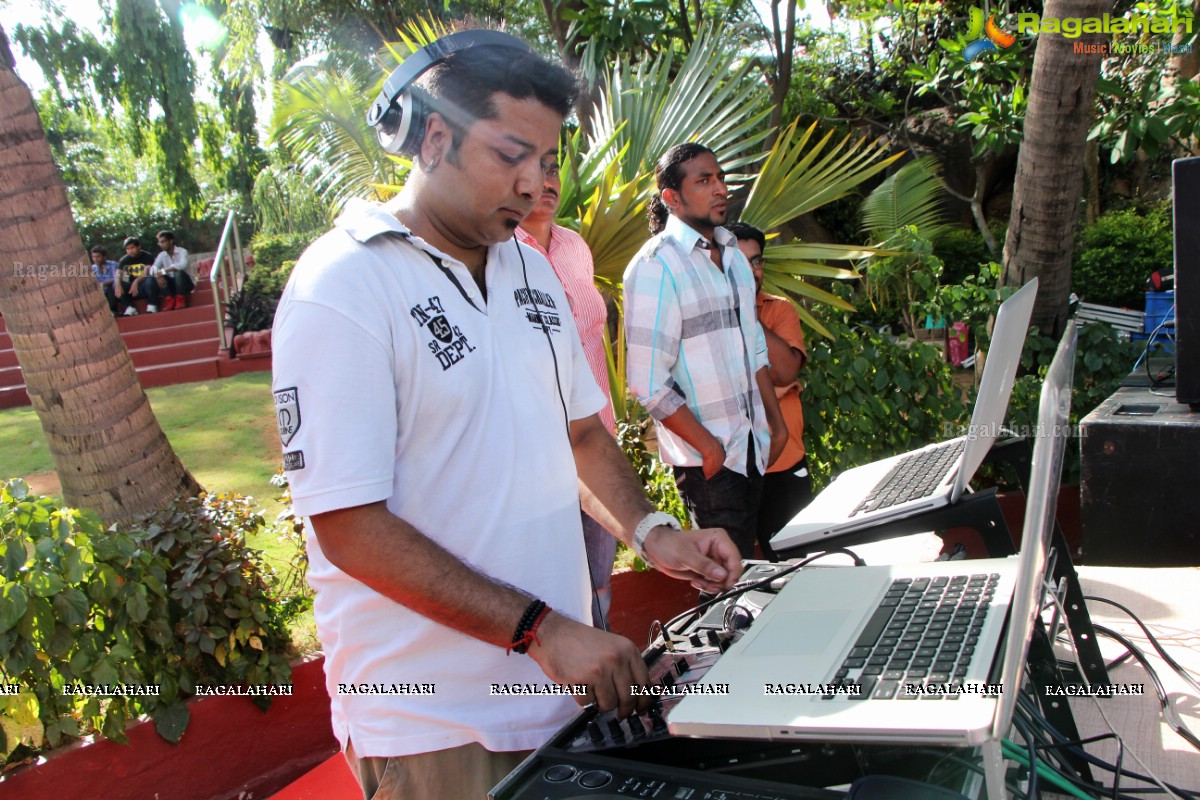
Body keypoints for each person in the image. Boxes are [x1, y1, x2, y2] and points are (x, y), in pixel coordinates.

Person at [271, 31, 740, 800]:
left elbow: (580, 434)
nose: (533, 184)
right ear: (432, 137)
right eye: (509, 154)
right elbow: (349, 524)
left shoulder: (530, 264)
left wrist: (657, 534)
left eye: (548, 161)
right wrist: (541, 629)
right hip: (437, 730)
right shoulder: (345, 285)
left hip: (555, 701)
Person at [623, 143, 789, 560]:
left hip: (752, 446)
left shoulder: (733, 254)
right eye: (704, 181)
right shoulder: (655, 266)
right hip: (709, 462)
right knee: (721, 581)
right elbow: (646, 382)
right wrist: (710, 448)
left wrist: (776, 423)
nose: (720, 189)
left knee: (747, 569)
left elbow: (753, 346)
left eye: (720, 178)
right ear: (672, 198)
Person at [515, 163, 618, 630]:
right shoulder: (499, 253)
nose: (547, 181)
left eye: (554, 169)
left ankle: (607, 695)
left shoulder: (575, 246)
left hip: (598, 440)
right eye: (536, 170)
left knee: (599, 577)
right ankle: (568, 696)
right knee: (551, 589)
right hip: (540, 455)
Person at [727, 222, 812, 559]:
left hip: (785, 464)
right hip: (730, 470)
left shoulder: (779, 310)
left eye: (757, 261)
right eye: (741, 262)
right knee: (735, 574)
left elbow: (785, 370)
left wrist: (747, 311)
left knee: (797, 568)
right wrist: (775, 392)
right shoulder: (703, 316)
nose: (751, 270)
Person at [151, 230, 193, 310]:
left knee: (178, 272)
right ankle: (170, 300)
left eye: (163, 242)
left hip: (186, 284)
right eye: (159, 242)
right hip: (172, 285)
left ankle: (180, 300)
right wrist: (157, 275)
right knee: (158, 276)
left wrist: (164, 271)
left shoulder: (182, 251)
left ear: (171, 241)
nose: (161, 245)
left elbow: (182, 265)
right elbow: (153, 268)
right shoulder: (161, 255)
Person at [117, 237, 158, 314]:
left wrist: (136, 281)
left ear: (139, 246)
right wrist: (117, 284)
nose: (130, 251)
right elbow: (118, 274)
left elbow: (146, 273)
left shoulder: (147, 256)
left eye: (132, 248)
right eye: (127, 249)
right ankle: (130, 307)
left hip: (146, 287)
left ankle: (152, 305)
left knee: (151, 279)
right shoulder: (124, 260)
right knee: (117, 284)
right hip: (132, 290)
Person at [89, 245, 122, 316]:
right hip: (100, 292)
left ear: (104, 257)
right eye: (93, 257)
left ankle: (113, 310)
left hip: (114, 291)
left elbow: (118, 277)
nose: (95, 259)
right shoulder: (92, 268)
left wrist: (104, 283)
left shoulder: (113, 265)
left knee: (110, 287)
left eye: (98, 257)